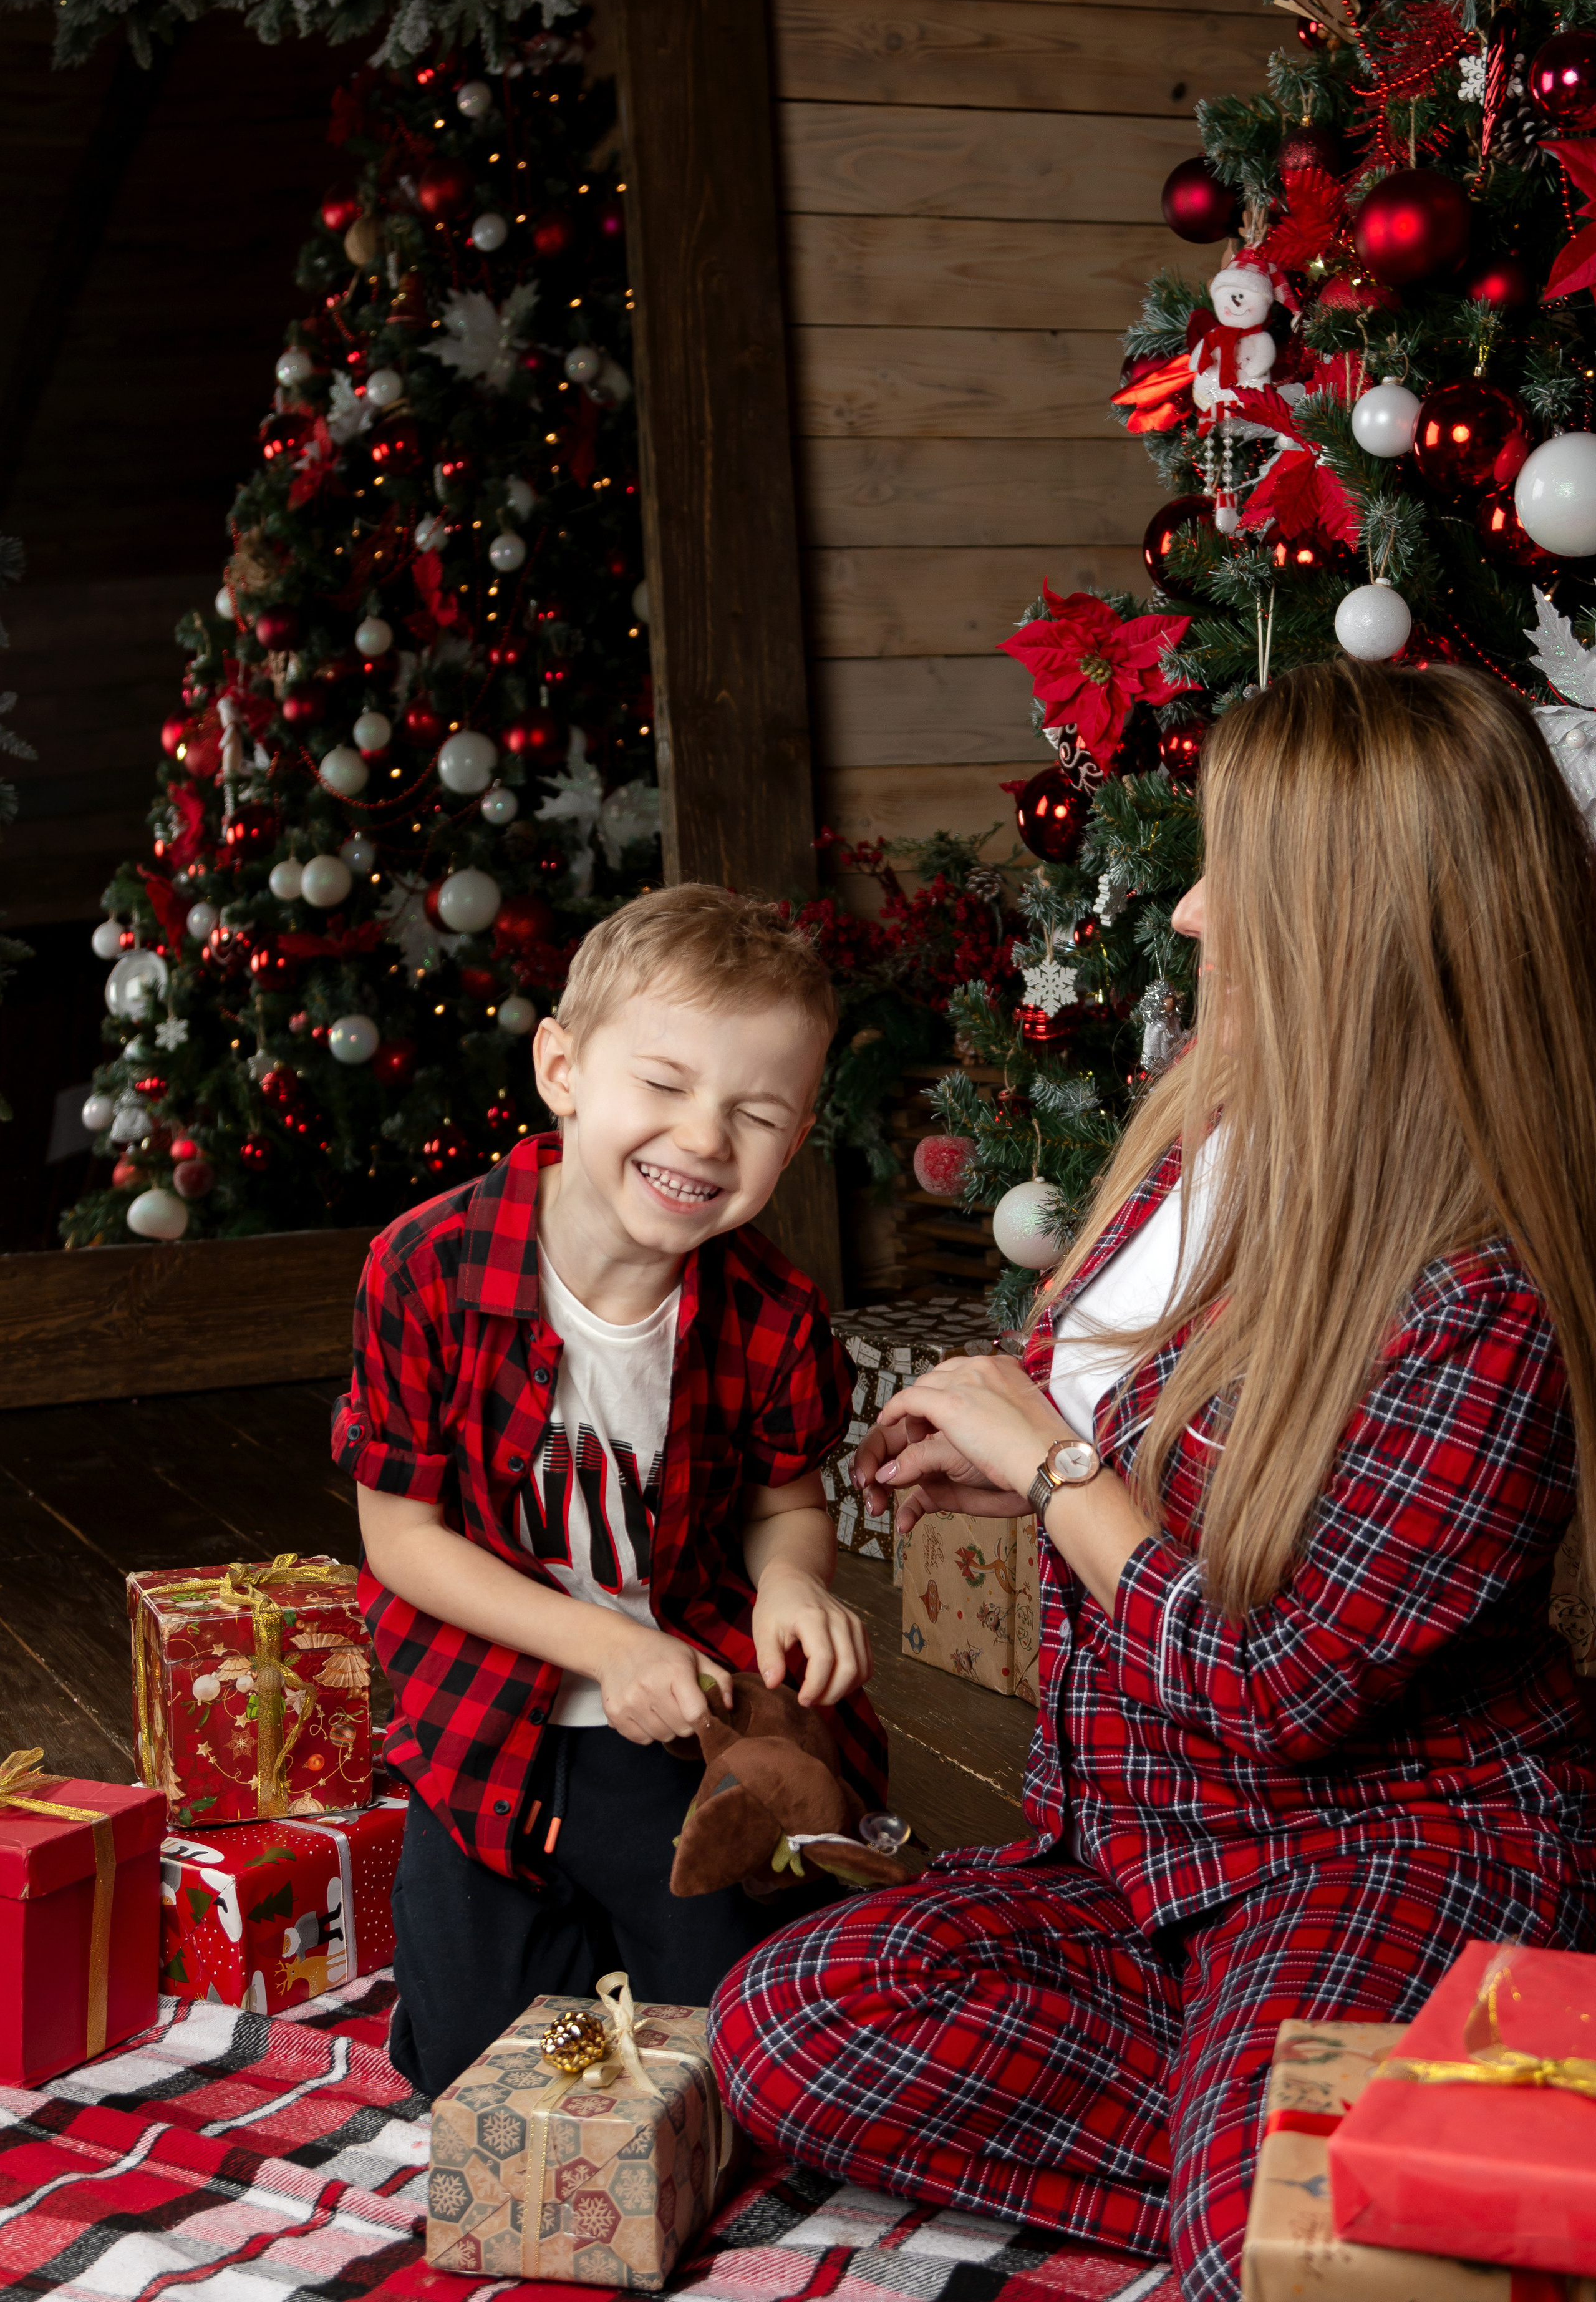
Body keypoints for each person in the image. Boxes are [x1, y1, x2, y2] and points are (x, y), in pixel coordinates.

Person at [708, 662, 1596, 2300]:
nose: (1185, 915)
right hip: (1144, 1855)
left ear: (1355, 927)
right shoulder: (1210, 1125)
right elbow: (1148, 1433)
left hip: (1379, 1850)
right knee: (791, 2023)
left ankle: (1334, 2190)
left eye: (1229, 880)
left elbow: (1283, 1688)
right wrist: (1020, 1464)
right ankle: (1353, 2170)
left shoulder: (1487, 1299)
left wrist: (1056, 1475)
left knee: (1259, 2264)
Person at [335, 884, 882, 2098]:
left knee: (726, 2058)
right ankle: (545, 1947)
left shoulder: (772, 1316)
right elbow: (402, 1539)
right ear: (563, 1068)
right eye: (665, 1085)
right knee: (475, 2078)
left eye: (753, 1114)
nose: (701, 1140)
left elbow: (787, 1504)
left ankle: (646, 1948)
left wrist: (791, 1583)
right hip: (482, 1722)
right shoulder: (425, 1268)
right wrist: (598, 1645)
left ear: (790, 1145)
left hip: (684, 1729)